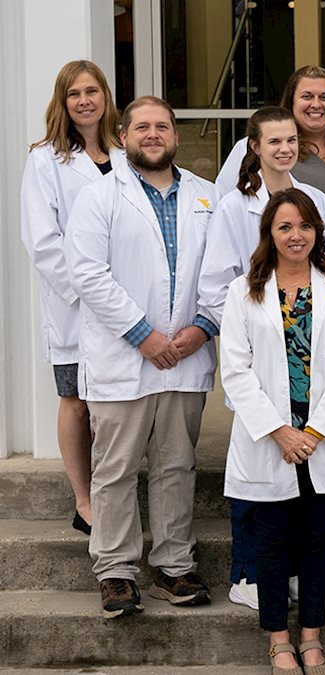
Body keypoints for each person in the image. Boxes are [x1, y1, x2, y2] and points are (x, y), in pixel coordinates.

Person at [65, 96, 220, 618]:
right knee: (116, 469)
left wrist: (201, 330)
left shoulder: (207, 196)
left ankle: (173, 566)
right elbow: (87, 273)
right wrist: (142, 335)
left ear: (175, 135)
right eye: (142, 127)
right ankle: (115, 572)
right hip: (124, 356)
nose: (153, 134)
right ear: (124, 136)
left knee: (177, 465)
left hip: (186, 355)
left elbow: (224, 272)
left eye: (163, 126)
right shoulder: (99, 196)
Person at [198, 105, 325, 612]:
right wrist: (255, 331)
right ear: (253, 146)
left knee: (298, 479)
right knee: (255, 479)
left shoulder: (316, 198)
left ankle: (288, 572)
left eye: (290, 140)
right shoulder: (234, 204)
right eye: (273, 141)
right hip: (258, 356)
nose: (283, 148)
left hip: (306, 356)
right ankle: (247, 573)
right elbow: (218, 284)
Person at [220, 188, 325, 675]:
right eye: (284, 227)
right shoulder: (244, 290)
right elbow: (236, 371)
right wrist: (280, 431)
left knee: (317, 541)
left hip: (320, 440)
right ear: (269, 234)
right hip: (272, 441)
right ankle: (279, 640)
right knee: (272, 543)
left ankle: (311, 638)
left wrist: (316, 431)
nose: (295, 235)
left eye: (304, 226)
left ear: (317, 231)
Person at [20, 60, 124, 537]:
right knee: (76, 399)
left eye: (92, 91)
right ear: (62, 102)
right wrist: (89, 291)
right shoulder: (46, 159)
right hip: (76, 305)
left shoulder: (127, 151)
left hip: (125, 302)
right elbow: (42, 241)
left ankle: (113, 492)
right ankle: (85, 502)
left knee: (118, 403)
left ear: (105, 95)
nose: (84, 100)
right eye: (74, 94)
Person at [216, 66, 325, 225]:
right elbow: (225, 207)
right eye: (307, 96)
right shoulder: (253, 148)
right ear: (291, 102)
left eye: (324, 97)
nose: (316, 104)